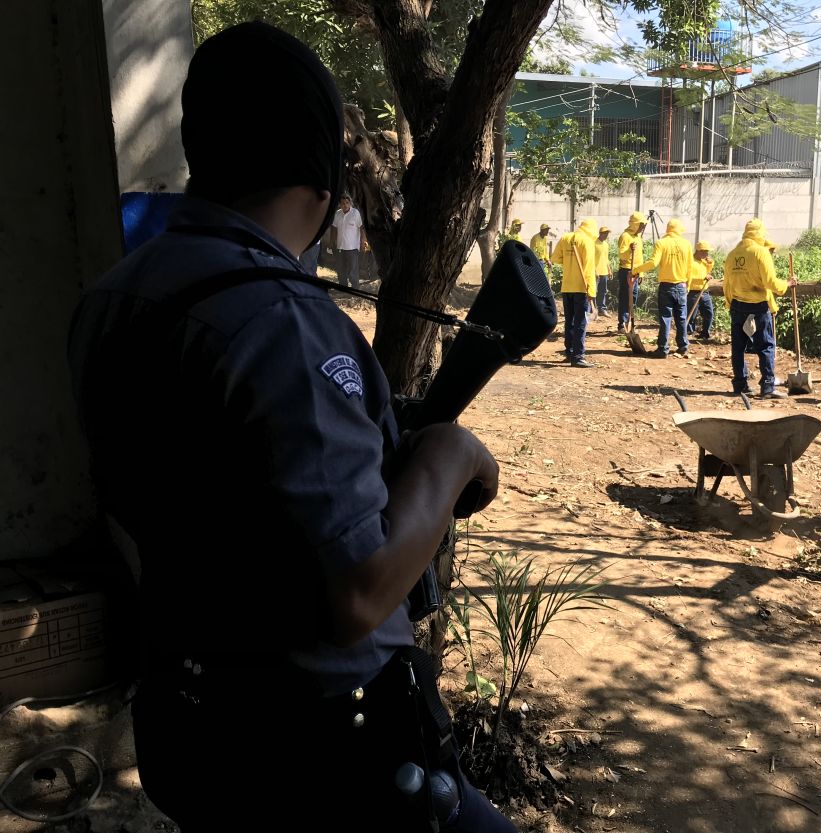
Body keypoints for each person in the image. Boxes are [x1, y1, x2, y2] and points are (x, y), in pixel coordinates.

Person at [67, 23, 514, 832]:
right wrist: (448, 459)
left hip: (190, 722)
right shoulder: (283, 321)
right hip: (327, 754)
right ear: (324, 179)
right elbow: (358, 588)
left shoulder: (110, 301)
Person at [723, 219, 794, 397]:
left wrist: (730, 304)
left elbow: (727, 285)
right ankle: (768, 387)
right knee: (766, 346)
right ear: (760, 233)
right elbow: (770, 283)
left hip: (737, 305)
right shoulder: (761, 252)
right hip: (758, 307)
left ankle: (740, 385)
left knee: (738, 348)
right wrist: (786, 284)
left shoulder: (732, 254)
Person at [632, 218, 693, 358]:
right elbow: (690, 267)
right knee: (682, 318)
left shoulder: (662, 243)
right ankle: (683, 347)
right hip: (682, 285)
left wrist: (636, 270)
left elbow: (653, 262)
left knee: (666, 318)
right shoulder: (687, 244)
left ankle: (663, 349)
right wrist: (687, 284)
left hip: (666, 286)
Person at [552, 218, 598, 368]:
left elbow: (555, 258)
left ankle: (570, 352)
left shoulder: (566, 238)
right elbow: (589, 269)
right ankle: (578, 357)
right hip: (581, 288)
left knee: (569, 321)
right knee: (580, 322)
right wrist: (591, 291)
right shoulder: (587, 242)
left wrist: (569, 262)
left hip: (567, 288)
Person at [328, 192, 368, 288]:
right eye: (342, 203)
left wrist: (363, 241)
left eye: (346, 203)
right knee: (341, 269)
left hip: (352, 247)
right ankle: (343, 288)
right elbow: (334, 228)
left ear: (350, 203)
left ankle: (355, 288)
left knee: (352, 270)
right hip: (340, 247)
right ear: (340, 204)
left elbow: (362, 227)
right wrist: (331, 241)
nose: (345, 205)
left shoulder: (355, 213)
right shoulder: (337, 214)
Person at [616, 211, 646, 332]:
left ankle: (629, 321)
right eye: (641, 225)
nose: (643, 227)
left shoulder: (638, 237)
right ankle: (622, 323)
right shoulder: (625, 236)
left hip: (636, 271)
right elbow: (622, 255)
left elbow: (640, 256)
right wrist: (629, 249)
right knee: (625, 297)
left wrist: (641, 272)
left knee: (633, 298)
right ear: (635, 224)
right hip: (627, 270)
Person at [687, 240, 715, 341]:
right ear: (699, 251)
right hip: (693, 292)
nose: (707, 254)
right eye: (705, 251)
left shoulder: (704, 261)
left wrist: (710, 263)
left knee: (709, 313)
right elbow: (689, 275)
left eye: (707, 252)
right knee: (691, 314)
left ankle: (705, 333)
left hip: (704, 291)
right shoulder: (690, 261)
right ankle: (689, 333)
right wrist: (703, 277)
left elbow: (708, 271)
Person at [594, 226, 612, 318]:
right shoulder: (594, 243)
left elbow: (606, 258)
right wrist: (594, 270)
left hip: (604, 271)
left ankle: (602, 309)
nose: (606, 235)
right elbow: (591, 259)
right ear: (600, 233)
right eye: (605, 233)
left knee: (603, 291)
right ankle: (593, 311)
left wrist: (609, 270)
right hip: (595, 272)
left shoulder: (606, 244)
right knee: (593, 291)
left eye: (607, 233)